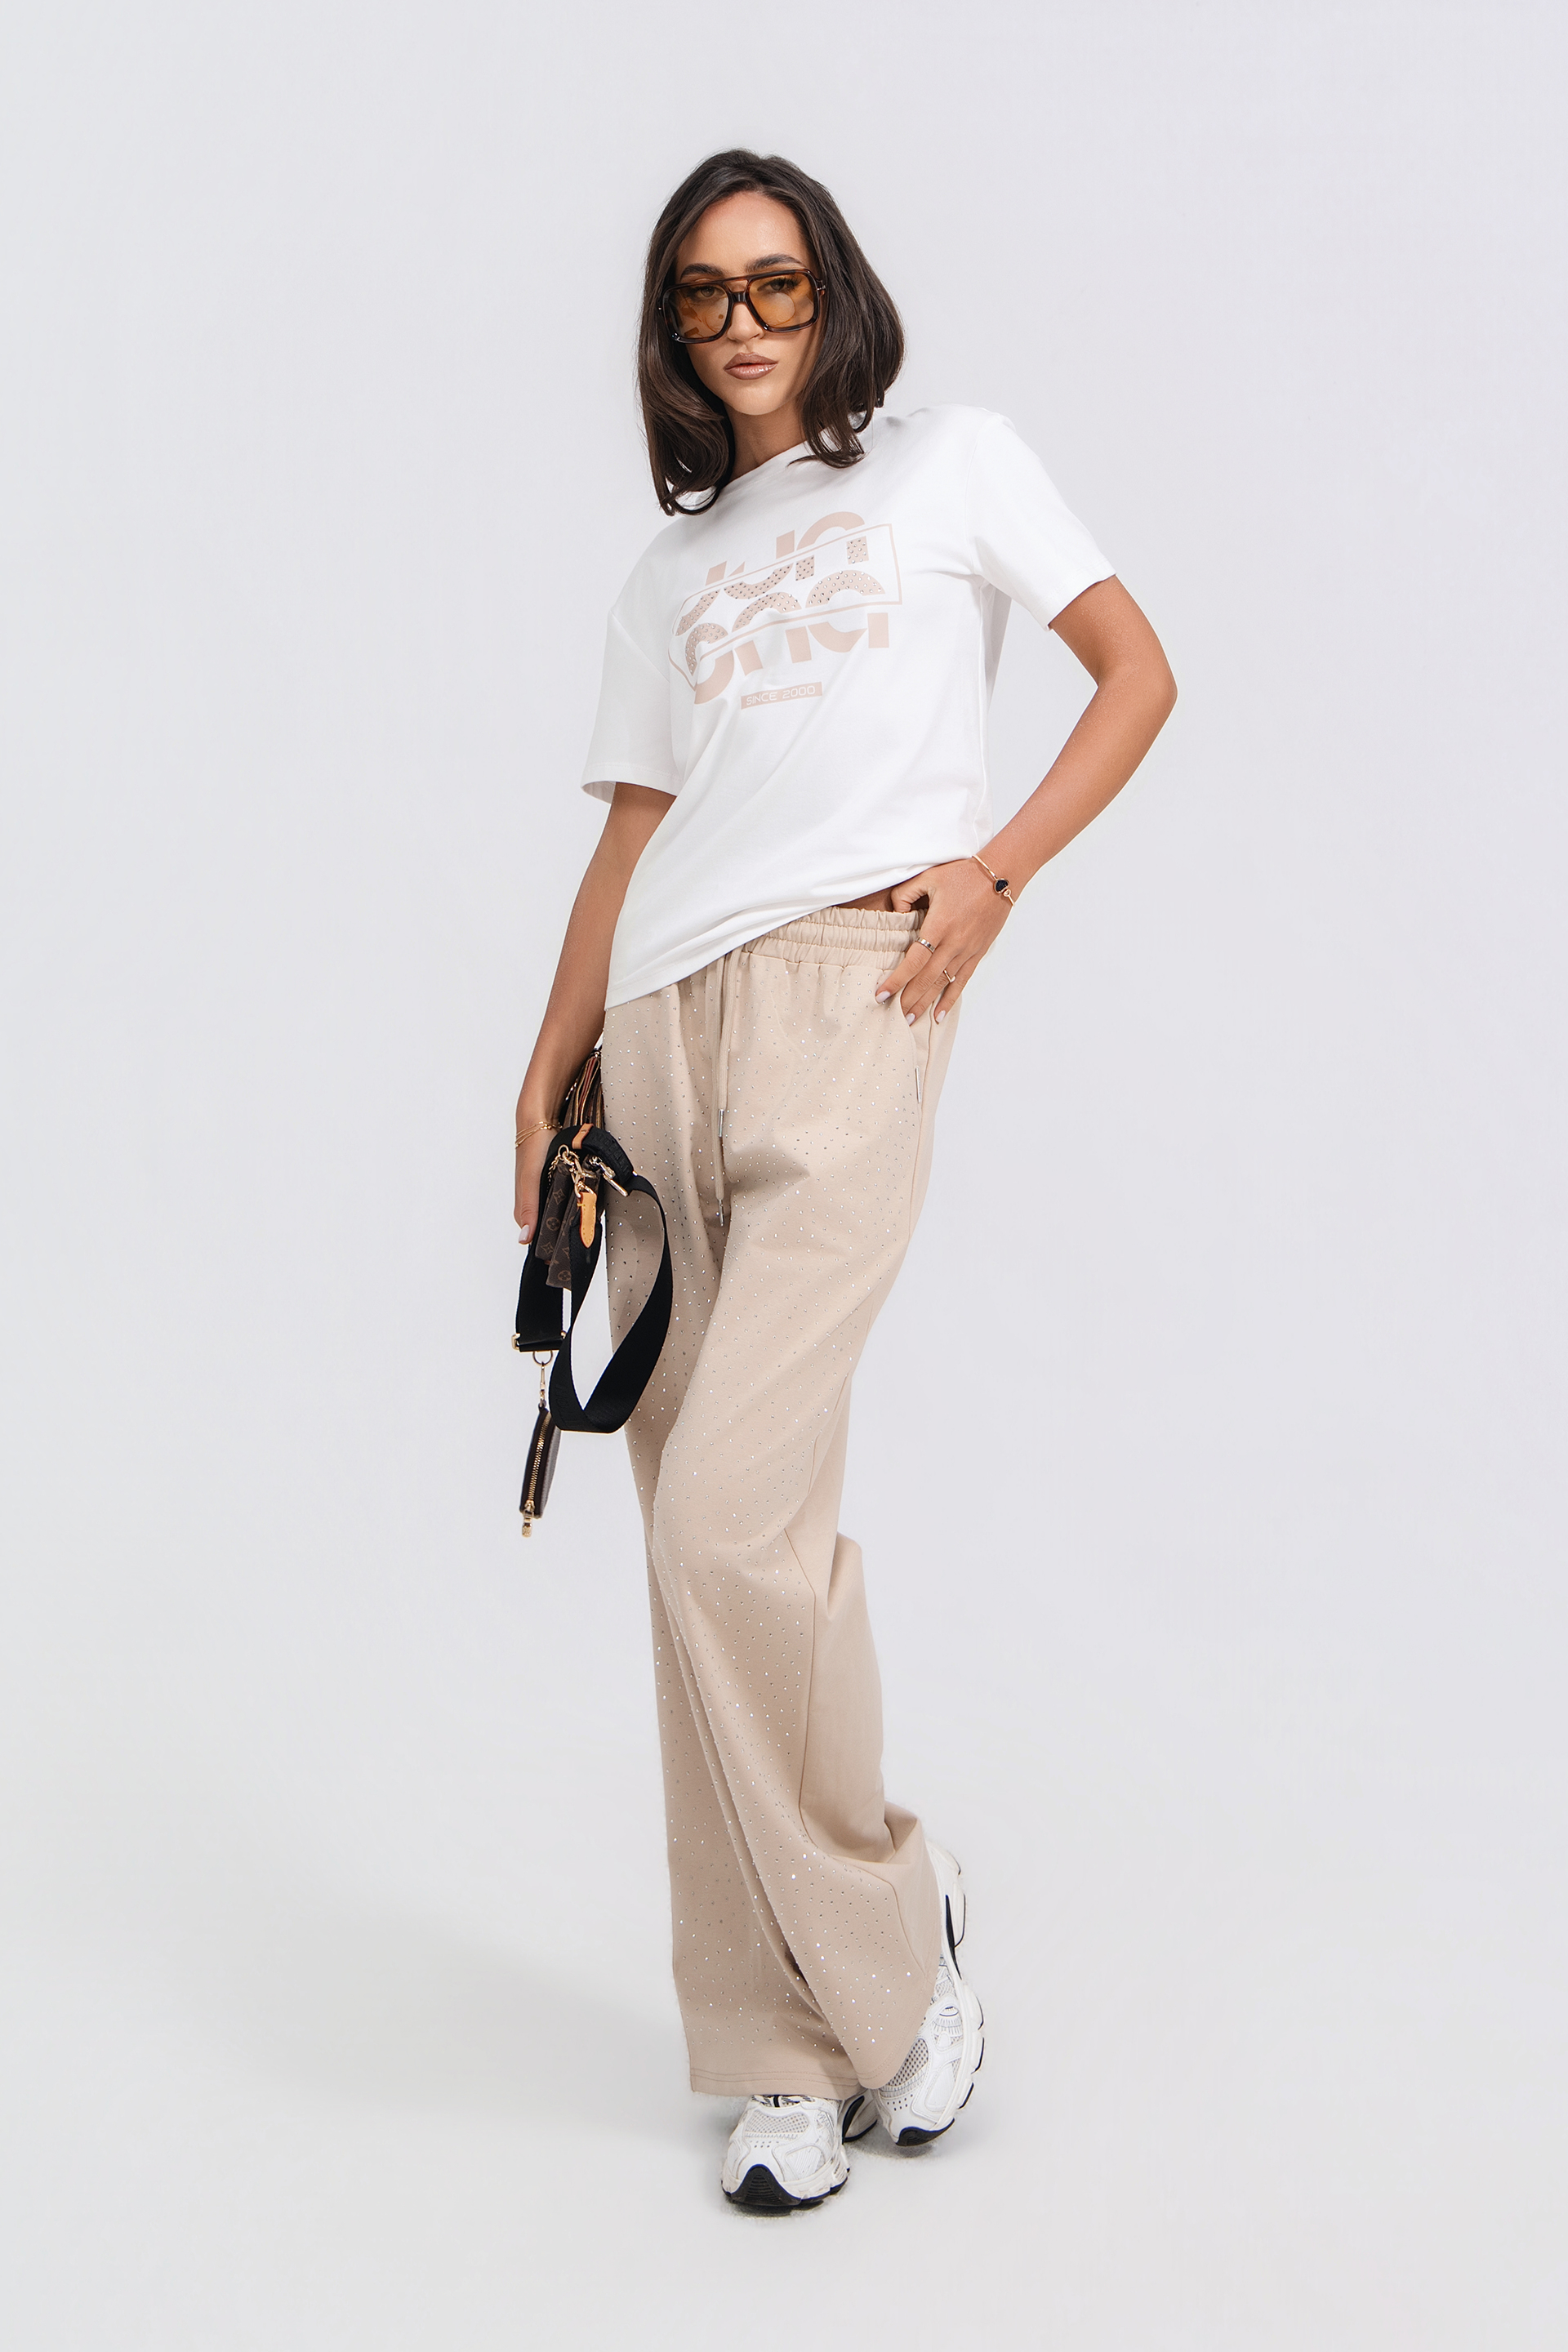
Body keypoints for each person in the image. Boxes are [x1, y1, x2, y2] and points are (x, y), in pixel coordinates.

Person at [512, 148, 1176, 2212]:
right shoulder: (667, 572)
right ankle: (777, 2049)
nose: (743, 321)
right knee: (707, 1551)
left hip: (852, 991)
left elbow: (1136, 671)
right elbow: (632, 836)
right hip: (659, 1031)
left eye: (775, 281)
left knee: (734, 1518)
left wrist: (996, 877)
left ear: (834, 292)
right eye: (704, 293)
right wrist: (545, 1064)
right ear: (671, 327)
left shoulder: (953, 461)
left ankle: (890, 1931)